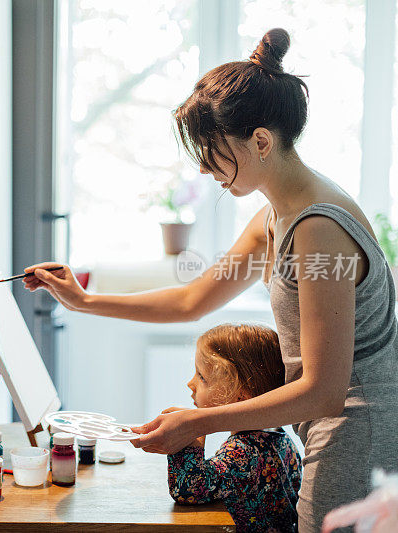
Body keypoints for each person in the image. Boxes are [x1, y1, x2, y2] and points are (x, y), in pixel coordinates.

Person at [24, 28, 398, 532]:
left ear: (260, 141)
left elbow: (324, 392)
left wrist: (194, 423)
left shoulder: (319, 228)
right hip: (335, 428)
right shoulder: (277, 216)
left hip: (359, 434)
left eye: (212, 150)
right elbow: (192, 300)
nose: (203, 168)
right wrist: (83, 301)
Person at [166, 323, 301, 532]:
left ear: (240, 396)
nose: (190, 383)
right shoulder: (283, 441)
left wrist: (191, 436)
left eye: (202, 377)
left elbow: (188, 488)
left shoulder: (243, 451)